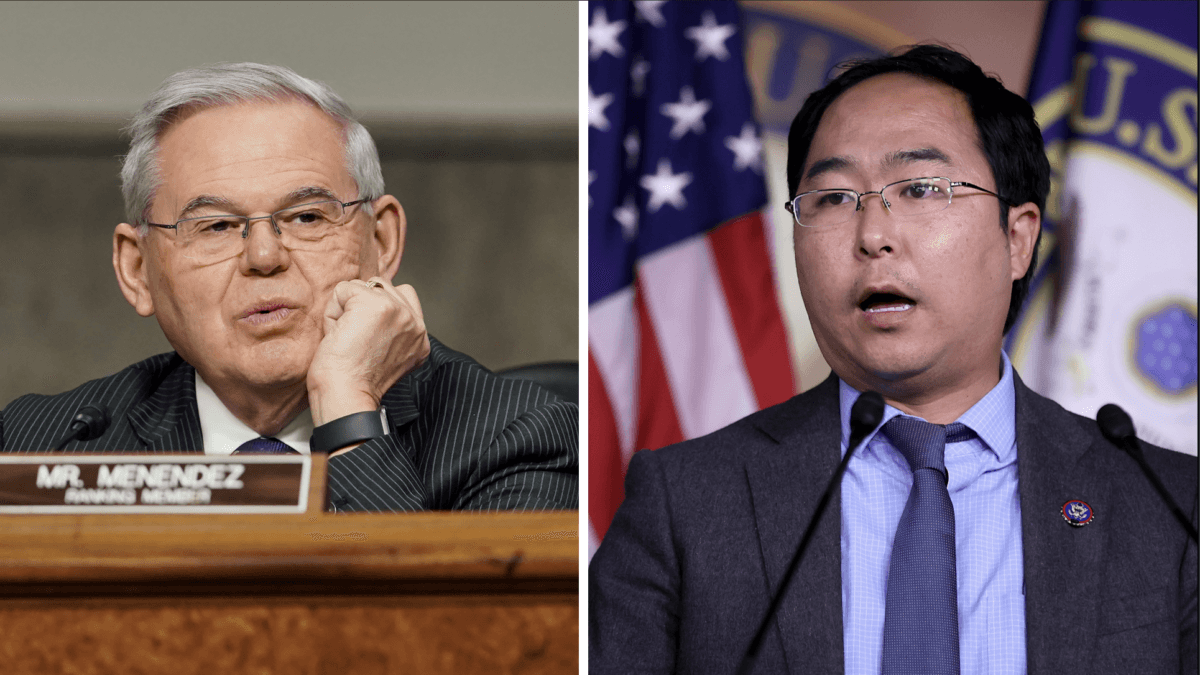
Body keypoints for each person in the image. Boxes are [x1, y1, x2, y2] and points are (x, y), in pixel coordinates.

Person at [590, 45, 1196, 674]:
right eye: (831, 198)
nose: (873, 233)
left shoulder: (1170, 507)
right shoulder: (686, 503)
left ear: (1017, 238)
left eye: (921, 189)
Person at [0, 63, 577, 512]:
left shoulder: (518, 437)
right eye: (218, 226)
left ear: (383, 241)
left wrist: (348, 408)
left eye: (306, 217)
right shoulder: (43, 443)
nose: (264, 257)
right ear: (136, 270)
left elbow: (445, 648)